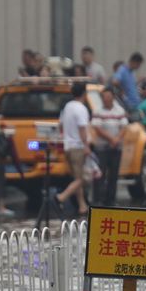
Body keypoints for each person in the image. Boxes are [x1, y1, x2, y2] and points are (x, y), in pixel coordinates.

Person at [51, 82, 91, 216]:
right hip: (78, 147)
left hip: (67, 146)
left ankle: (82, 206)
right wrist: (86, 145)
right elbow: (82, 129)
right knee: (81, 179)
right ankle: (61, 197)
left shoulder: (67, 107)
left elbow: (61, 126)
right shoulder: (81, 109)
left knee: (75, 177)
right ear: (84, 94)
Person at [91, 87, 127, 206]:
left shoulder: (119, 110)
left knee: (114, 175)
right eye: (104, 97)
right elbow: (97, 128)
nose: (106, 99)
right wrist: (111, 139)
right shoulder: (98, 111)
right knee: (100, 174)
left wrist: (116, 139)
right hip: (102, 148)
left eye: (108, 97)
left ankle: (111, 200)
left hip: (116, 147)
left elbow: (124, 127)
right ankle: (98, 200)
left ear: (113, 97)